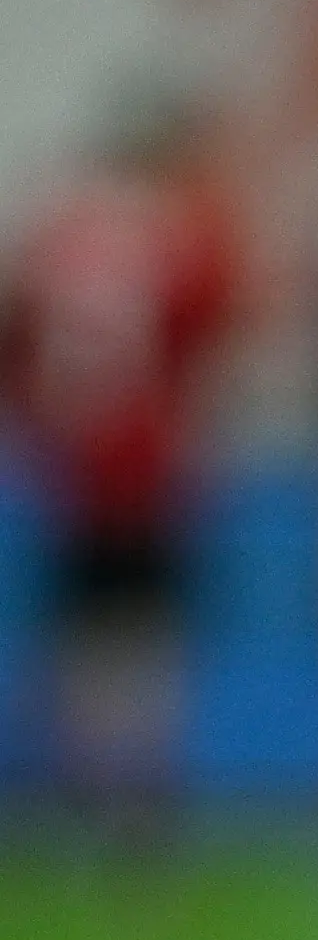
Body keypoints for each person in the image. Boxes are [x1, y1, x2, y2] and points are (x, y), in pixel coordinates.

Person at [0, 98, 240, 837]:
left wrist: (36, 424)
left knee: (84, 629)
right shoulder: (175, 234)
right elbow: (209, 331)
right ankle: (140, 797)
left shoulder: (57, 234)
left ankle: (89, 785)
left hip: (72, 462)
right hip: (150, 460)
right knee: (148, 631)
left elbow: (17, 333)